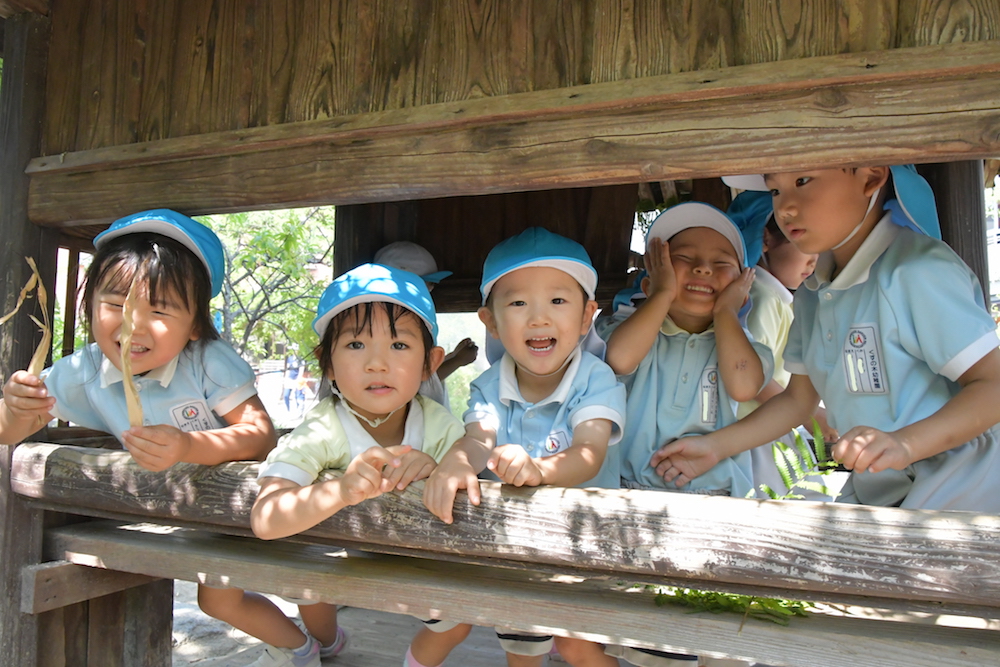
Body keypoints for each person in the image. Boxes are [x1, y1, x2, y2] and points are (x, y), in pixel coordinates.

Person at [0, 210, 307, 665]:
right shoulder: (84, 372)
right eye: (116, 303)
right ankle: (315, 644)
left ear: (195, 326)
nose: (134, 325)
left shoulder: (207, 360)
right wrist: (15, 407)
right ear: (90, 307)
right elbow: (11, 432)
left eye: (160, 309)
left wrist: (188, 447)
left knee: (219, 602)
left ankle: (302, 649)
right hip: (168, 513)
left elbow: (260, 436)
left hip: (238, 509)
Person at [654, 165, 1000, 515]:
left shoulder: (917, 270)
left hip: (963, 492)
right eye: (775, 191)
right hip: (879, 494)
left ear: (870, 178)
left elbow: (993, 384)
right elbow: (798, 401)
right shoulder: (812, 295)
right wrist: (714, 447)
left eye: (802, 181)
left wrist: (904, 444)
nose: (785, 207)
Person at [416, 227, 627, 667]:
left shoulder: (595, 379)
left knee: (577, 648)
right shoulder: (489, 385)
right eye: (517, 303)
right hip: (517, 548)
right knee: (521, 645)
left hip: (586, 546)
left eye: (558, 301)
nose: (538, 318)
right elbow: (478, 440)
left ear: (588, 315)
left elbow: (590, 453)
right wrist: (456, 464)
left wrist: (540, 469)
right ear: (489, 320)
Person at [251, 263, 467, 666]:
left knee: (458, 622)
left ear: (430, 363)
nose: (377, 363)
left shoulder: (439, 427)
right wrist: (342, 490)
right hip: (335, 566)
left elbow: (476, 488)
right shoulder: (322, 427)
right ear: (326, 362)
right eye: (355, 345)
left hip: (417, 565)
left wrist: (440, 466)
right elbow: (266, 518)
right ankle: (326, 642)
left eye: (399, 345)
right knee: (307, 585)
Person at [597, 202, 771, 667]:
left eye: (721, 264)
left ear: (741, 281)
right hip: (635, 510)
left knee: (722, 642)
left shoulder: (740, 341)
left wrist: (729, 314)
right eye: (683, 257)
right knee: (655, 650)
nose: (701, 268)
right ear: (652, 277)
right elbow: (619, 359)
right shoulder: (635, 328)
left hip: (718, 510)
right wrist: (659, 296)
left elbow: (744, 383)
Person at [727, 188, 834, 499]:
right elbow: (750, 374)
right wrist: (810, 414)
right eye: (801, 241)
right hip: (756, 432)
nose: (814, 258)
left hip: (770, 425)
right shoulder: (761, 297)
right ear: (765, 239)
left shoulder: (780, 298)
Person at [374, 241, 480, 410]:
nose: (432, 287)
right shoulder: (388, 321)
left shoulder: (413, 315)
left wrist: (452, 356)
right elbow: (416, 382)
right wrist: (457, 361)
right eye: (427, 282)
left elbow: (421, 367)